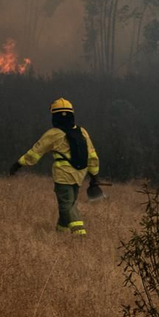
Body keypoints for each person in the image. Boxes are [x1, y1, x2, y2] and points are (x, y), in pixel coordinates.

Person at [9, 98, 100, 236]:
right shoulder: (83, 132)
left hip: (63, 175)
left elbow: (35, 152)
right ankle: (60, 233)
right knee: (69, 203)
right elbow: (92, 155)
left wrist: (19, 164)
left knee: (67, 205)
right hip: (79, 174)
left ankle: (80, 235)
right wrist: (94, 176)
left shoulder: (53, 134)